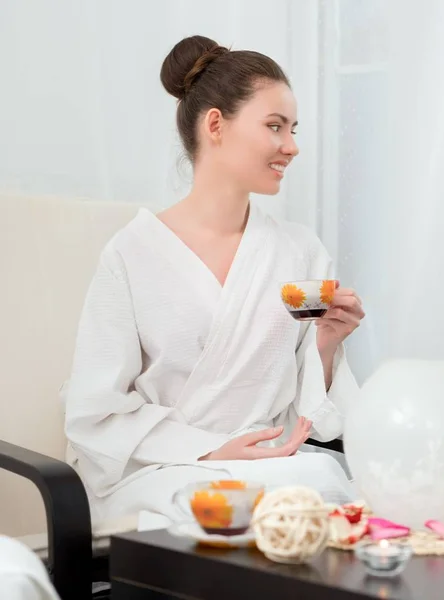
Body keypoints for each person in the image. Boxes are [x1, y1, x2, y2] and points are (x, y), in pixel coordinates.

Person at [63, 35, 365, 523]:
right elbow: (96, 414)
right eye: (274, 126)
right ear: (216, 125)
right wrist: (211, 450)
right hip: (163, 469)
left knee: (324, 486)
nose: (291, 146)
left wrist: (326, 341)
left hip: (274, 468)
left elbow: (309, 418)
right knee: (239, 506)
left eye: (293, 129)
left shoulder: (301, 251)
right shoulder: (131, 253)